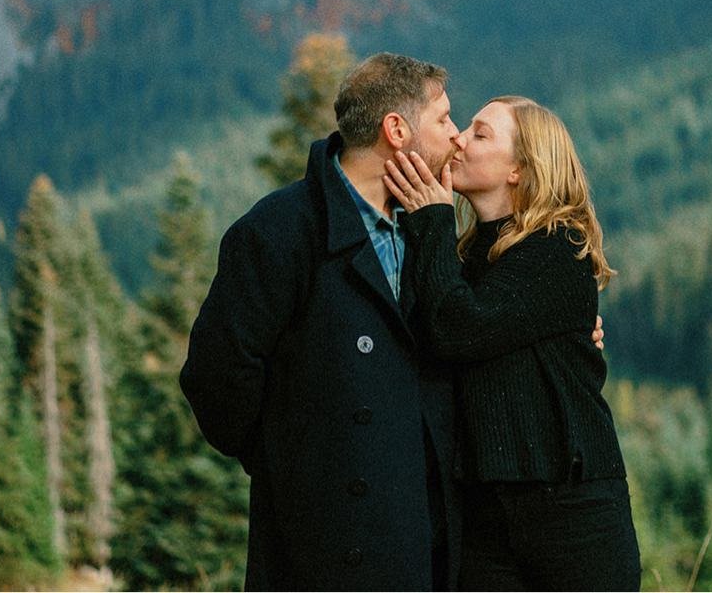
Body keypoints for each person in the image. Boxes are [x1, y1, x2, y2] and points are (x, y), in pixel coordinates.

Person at [180, 53, 463, 589]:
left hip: (424, 546)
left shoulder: (428, 227)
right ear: (396, 130)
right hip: (323, 552)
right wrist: (293, 460)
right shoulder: (279, 232)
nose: (458, 135)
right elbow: (216, 378)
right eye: (444, 119)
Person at [384, 94, 641, 591]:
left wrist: (432, 220)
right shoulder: (470, 256)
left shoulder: (557, 247)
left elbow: (462, 328)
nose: (459, 138)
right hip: (486, 515)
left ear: (519, 170)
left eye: (480, 134)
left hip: (572, 514)